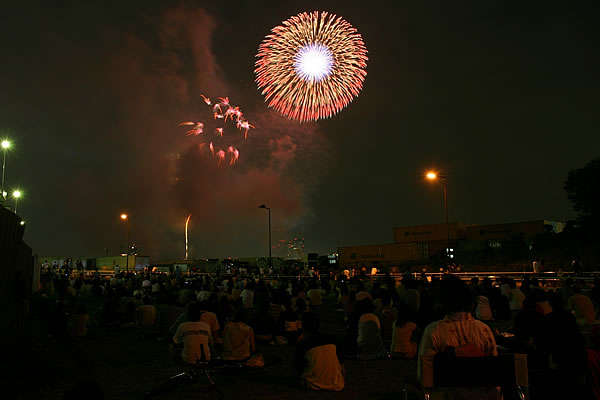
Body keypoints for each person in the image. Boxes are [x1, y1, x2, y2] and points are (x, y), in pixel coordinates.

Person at [418, 277, 498, 399]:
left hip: (447, 395)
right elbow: (494, 370)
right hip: (481, 395)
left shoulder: (433, 330)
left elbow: (424, 374)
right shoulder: (484, 330)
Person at [293, 312, 345, 391]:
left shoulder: (303, 344)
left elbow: (296, 369)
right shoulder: (332, 339)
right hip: (336, 383)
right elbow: (341, 364)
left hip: (313, 384)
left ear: (303, 326)